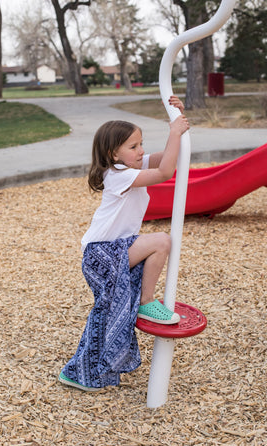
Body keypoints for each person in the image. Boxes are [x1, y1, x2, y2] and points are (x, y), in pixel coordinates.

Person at [59, 95, 189, 392]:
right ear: (112, 153)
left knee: (109, 313)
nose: (141, 150)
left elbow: (170, 157)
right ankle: (146, 303)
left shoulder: (128, 164)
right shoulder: (117, 174)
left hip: (109, 251)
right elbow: (165, 172)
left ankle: (81, 371)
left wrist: (178, 118)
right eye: (134, 147)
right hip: (100, 253)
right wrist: (174, 131)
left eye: (141, 144)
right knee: (161, 241)